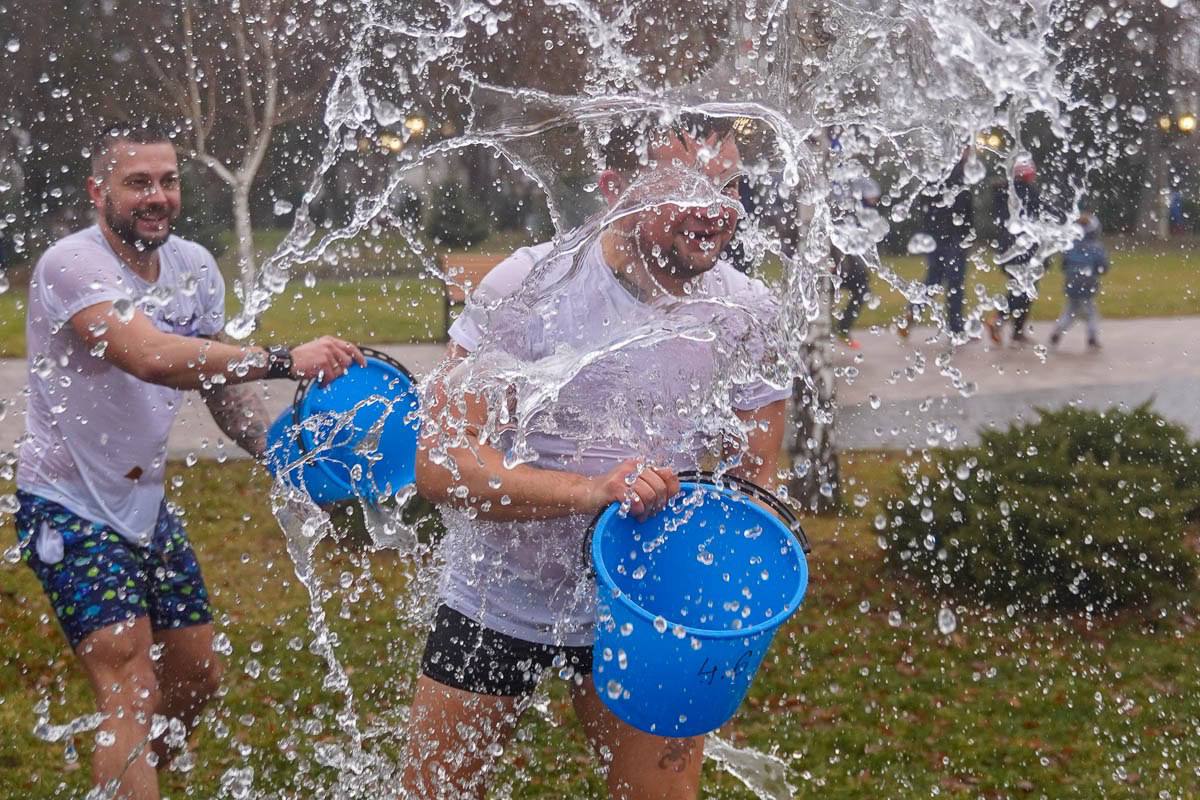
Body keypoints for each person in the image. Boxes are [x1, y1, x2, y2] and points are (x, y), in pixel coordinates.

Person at [400, 116, 791, 800]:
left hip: (646, 611)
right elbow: (441, 464)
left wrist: (736, 573)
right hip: (501, 598)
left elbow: (754, 479)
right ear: (615, 189)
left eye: (728, 186)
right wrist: (590, 492)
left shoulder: (746, 311)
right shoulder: (531, 287)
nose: (715, 209)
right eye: (687, 186)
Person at [14, 121, 364, 800]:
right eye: (137, 182)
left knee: (196, 678)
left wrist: (284, 456)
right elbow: (148, 356)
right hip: (69, 506)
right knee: (131, 687)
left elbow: (220, 389)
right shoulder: (71, 265)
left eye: (168, 181)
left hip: (146, 509)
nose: (157, 196)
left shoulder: (195, 267)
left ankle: (134, 777)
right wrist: (285, 358)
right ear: (99, 191)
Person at [902, 149, 975, 340]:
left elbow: (924, 201)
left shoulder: (934, 171)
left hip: (934, 235)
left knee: (934, 277)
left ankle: (913, 309)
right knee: (955, 282)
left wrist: (928, 228)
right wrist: (967, 234)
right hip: (954, 236)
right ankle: (956, 329)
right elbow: (964, 207)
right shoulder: (960, 173)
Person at [985, 159, 1042, 345]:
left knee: (1020, 287)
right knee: (1025, 290)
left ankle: (1015, 330)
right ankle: (1000, 320)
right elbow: (1040, 214)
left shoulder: (1004, 191)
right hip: (1025, 249)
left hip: (1008, 248)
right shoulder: (1028, 191)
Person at [832, 177, 881, 349]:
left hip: (847, 260)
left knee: (862, 290)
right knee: (824, 294)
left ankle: (842, 329)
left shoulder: (858, 208)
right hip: (833, 259)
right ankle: (830, 332)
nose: (875, 203)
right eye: (873, 199)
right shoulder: (841, 198)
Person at [1049, 212, 1109, 350]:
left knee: (1070, 309)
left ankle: (1058, 331)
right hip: (1088, 282)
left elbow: (1064, 264)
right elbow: (1103, 266)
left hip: (1072, 281)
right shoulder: (1096, 247)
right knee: (1091, 311)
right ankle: (1092, 337)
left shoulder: (1071, 245)